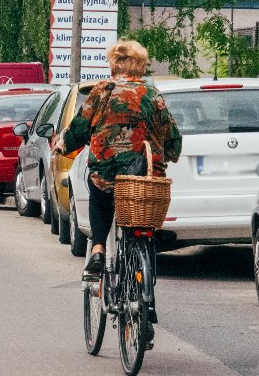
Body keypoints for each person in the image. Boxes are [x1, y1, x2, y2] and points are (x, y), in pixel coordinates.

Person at [60, 40, 183, 276]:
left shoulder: (102, 91)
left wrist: (63, 144)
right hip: (143, 176)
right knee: (139, 213)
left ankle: (98, 249)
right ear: (140, 66)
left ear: (114, 65)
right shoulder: (152, 94)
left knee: (99, 195)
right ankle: (142, 273)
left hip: (107, 174)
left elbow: (80, 129)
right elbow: (172, 137)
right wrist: (169, 155)